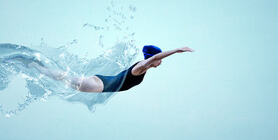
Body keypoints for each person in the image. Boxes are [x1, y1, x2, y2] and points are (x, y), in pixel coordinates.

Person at [11, 45, 194, 93]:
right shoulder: (140, 67)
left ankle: (32, 64)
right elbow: (154, 58)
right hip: (96, 85)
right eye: (159, 59)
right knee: (59, 77)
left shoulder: (141, 68)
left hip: (99, 81)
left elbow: (153, 58)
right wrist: (176, 50)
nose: (160, 62)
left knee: (62, 76)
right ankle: (31, 64)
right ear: (152, 59)